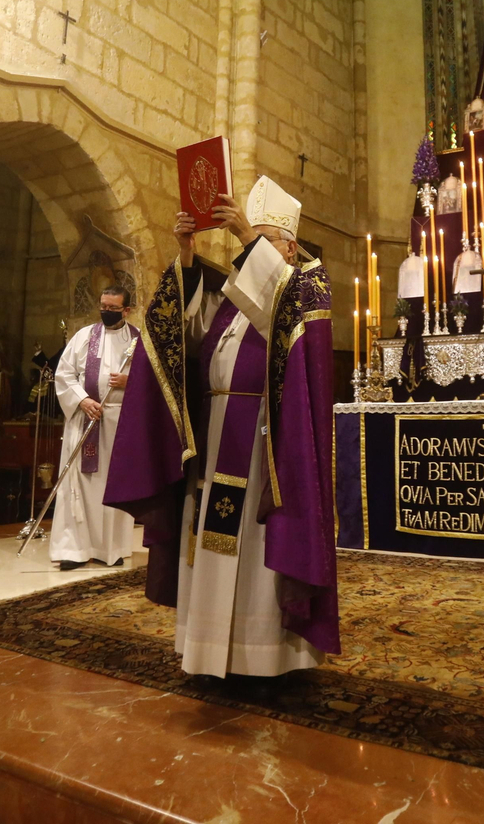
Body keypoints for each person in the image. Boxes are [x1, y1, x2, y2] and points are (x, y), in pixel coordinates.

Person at [106, 177, 338, 679]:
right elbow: (180, 339)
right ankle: (210, 649)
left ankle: (261, 658)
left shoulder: (307, 287)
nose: (249, 251)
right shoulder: (232, 302)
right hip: (214, 444)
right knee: (208, 545)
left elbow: (281, 315)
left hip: (265, 450)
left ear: (289, 247)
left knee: (251, 552)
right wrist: (186, 255)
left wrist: (243, 238)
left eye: (263, 239)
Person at [47, 286, 137, 571]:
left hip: (119, 424)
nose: (106, 312)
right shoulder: (84, 336)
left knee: (113, 484)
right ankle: (73, 549)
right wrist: (83, 399)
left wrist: (129, 382)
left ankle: (111, 549)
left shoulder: (138, 341)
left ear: (126, 310)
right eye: (103, 306)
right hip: (85, 419)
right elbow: (64, 374)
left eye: (113, 308)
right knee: (77, 484)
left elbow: (154, 383)